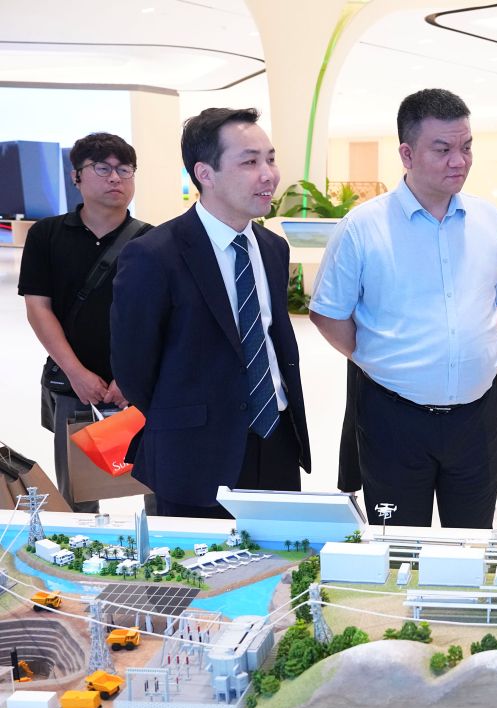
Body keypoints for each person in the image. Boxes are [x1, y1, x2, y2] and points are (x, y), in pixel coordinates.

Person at [309, 88, 497, 529]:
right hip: (394, 419)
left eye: (466, 148)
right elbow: (328, 314)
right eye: (442, 150)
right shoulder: (362, 227)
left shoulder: (489, 220)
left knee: (472, 544)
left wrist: (465, 346)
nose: (459, 161)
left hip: (477, 418)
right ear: (406, 154)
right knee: (399, 549)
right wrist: (375, 356)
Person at [111, 108, 311, 518]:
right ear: (205, 173)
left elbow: (271, 339)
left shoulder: (272, 248)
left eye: (270, 159)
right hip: (195, 454)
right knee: (197, 561)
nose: (268, 175)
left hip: (275, 440)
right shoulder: (154, 254)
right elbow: (133, 369)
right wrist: (185, 416)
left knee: (277, 555)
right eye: (249, 162)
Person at [18, 133, 151, 513]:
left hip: (140, 385)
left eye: (125, 170)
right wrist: (76, 373)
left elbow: (161, 317)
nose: (116, 178)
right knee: (78, 491)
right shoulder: (47, 235)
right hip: (73, 385)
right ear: (76, 176)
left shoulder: (153, 241)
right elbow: (38, 308)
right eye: (103, 168)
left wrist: (132, 376)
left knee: (156, 481)